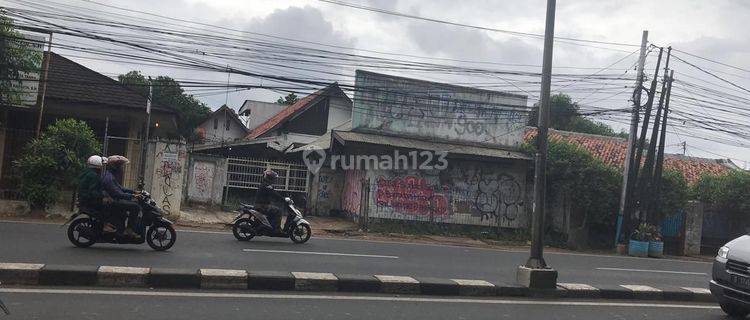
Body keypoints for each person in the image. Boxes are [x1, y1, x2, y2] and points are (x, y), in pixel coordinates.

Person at [102, 155, 141, 239]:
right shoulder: (109, 178)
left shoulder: (111, 176)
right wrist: (132, 196)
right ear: (113, 166)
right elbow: (117, 193)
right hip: (113, 201)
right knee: (136, 207)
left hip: (115, 199)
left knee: (132, 205)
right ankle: (129, 230)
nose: (121, 168)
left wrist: (134, 192)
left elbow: (120, 188)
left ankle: (123, 228)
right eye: (119, 166)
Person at [77, 155, 116, 233]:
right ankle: (105, 225)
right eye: (101, 165)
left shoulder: (86, 172)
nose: (102, 167)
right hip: (89, 199)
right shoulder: (94, 176)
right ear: (97, 165)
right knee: (108, 204)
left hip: (83, 197)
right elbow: (93, 191)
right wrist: (103, 196)